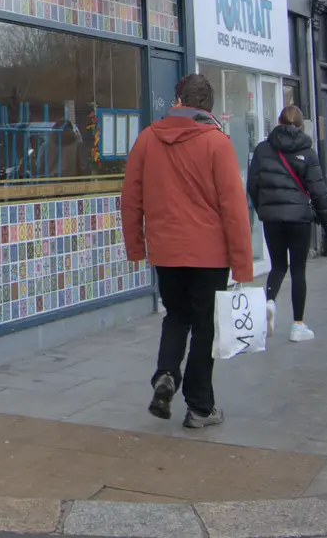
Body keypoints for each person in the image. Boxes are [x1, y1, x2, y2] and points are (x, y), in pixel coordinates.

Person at [122, 73, 253, 431]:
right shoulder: (217, 144)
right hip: (211, 255)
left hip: (166, 251)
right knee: (205, 327)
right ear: (208, 107)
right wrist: (243, 266)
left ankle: (166, 374)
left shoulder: (148, 139)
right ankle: (200, 406)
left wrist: (136, 246)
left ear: (179, 102)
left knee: (176, 316)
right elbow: (233, 209)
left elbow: (130, 199)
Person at [246, 105, 327, 343]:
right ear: (300, 125)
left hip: (272, 218)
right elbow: (318, 191)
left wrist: (263, 208)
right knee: (298, 270)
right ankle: (298, 325)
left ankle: (269, 301)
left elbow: (252, 185)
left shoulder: (263, 149)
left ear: (278, 121)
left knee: (277, 266)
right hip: (299, 219)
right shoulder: (307, 150)